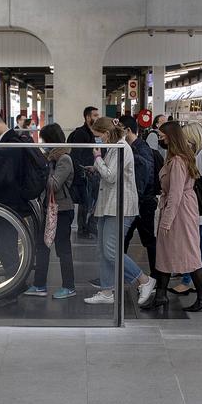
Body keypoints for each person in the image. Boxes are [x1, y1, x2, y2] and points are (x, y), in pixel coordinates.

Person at [84, 117, 156, 306]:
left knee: (110, 250)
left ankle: (144, 280)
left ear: (106, 133)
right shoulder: (115, 148)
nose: (97, 141)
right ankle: (107, 291)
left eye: (98, 136)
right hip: (109, 205)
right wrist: (97, 166)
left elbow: (110, 176)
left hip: (121, 207)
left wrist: (97, 159)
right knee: (103, 250)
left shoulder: (121, 148)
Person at [140, 120, 202, 313]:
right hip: (179, 209)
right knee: (166, 252)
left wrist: (166, 221)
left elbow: (176, 193)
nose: (160, 139)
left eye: (162, 137)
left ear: (171, 137)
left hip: (180, 212)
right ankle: (161, 295)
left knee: (188, 253)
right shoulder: (177, 158)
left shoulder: (178, 161)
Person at [0, 107, 37, 306]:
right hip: (6, 205)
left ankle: (13, 289)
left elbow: (6, 177)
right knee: (0, 242)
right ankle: (16, 283)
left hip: (7, 206)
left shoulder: (10, 143)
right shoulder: (9, 141)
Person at [26, 123, 76, 299]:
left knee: (63, 249)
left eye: (45, 140)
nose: (43, 143)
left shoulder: (64, 159)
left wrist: (43, 169)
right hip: (48, 209)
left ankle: (69, 287)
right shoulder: (49, 157)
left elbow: (54, 185)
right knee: (42, 247)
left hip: (62, 210)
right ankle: (39, 285)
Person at [171, 123, 202, 296]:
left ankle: (189, 280)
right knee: (198, 244)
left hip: (199, 207)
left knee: (192, 245)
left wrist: (194, 191)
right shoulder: (193, 154)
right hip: (194, 208)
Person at [120, 115, 158, 276]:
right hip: (137, 201)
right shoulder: (135, 147)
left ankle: (156, 278)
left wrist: (137, 197)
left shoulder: (140, 149)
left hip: (142, 203)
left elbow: (146, 175)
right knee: (123, 241)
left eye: (120, 129)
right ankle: (119, 275)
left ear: (127, 130)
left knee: (148, 241)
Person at [67, 106, 101, 239]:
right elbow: (76, 154)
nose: (97, 118)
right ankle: (83, 229)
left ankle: (90, 226)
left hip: (96, 171)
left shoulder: (96, 133)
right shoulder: (81, 133)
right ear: (87, 117)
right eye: (95, 115)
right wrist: (84, 169)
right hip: (86, 174)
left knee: (93, 202)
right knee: (85, 202)